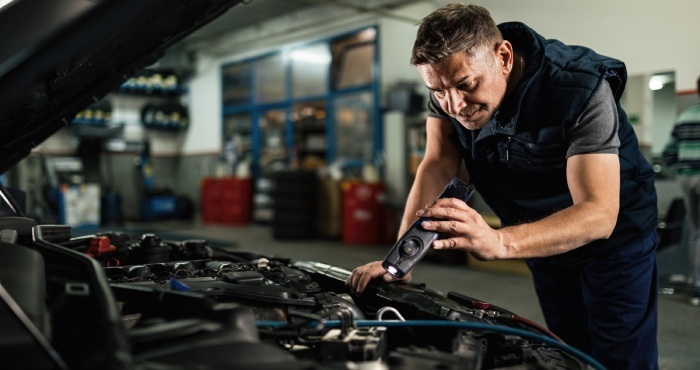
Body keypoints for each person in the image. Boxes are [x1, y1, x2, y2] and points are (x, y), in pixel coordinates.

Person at [346, 3, 659, 369]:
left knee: (620, 358)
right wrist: (401, 259)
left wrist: (499, 240)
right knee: (570, 352)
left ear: (504, 56)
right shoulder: (447, 89)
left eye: (466, 85)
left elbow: (599, 214)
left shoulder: (581, 89)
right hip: (542, 239)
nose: (455, 105)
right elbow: (439, 163)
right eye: (439, 91)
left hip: (615, 243)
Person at [662, 75, 700, 307]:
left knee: (696, 232)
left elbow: (668, 154)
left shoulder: (685, 117)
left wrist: (682, 171)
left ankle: (696, 286)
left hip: (688, 179)